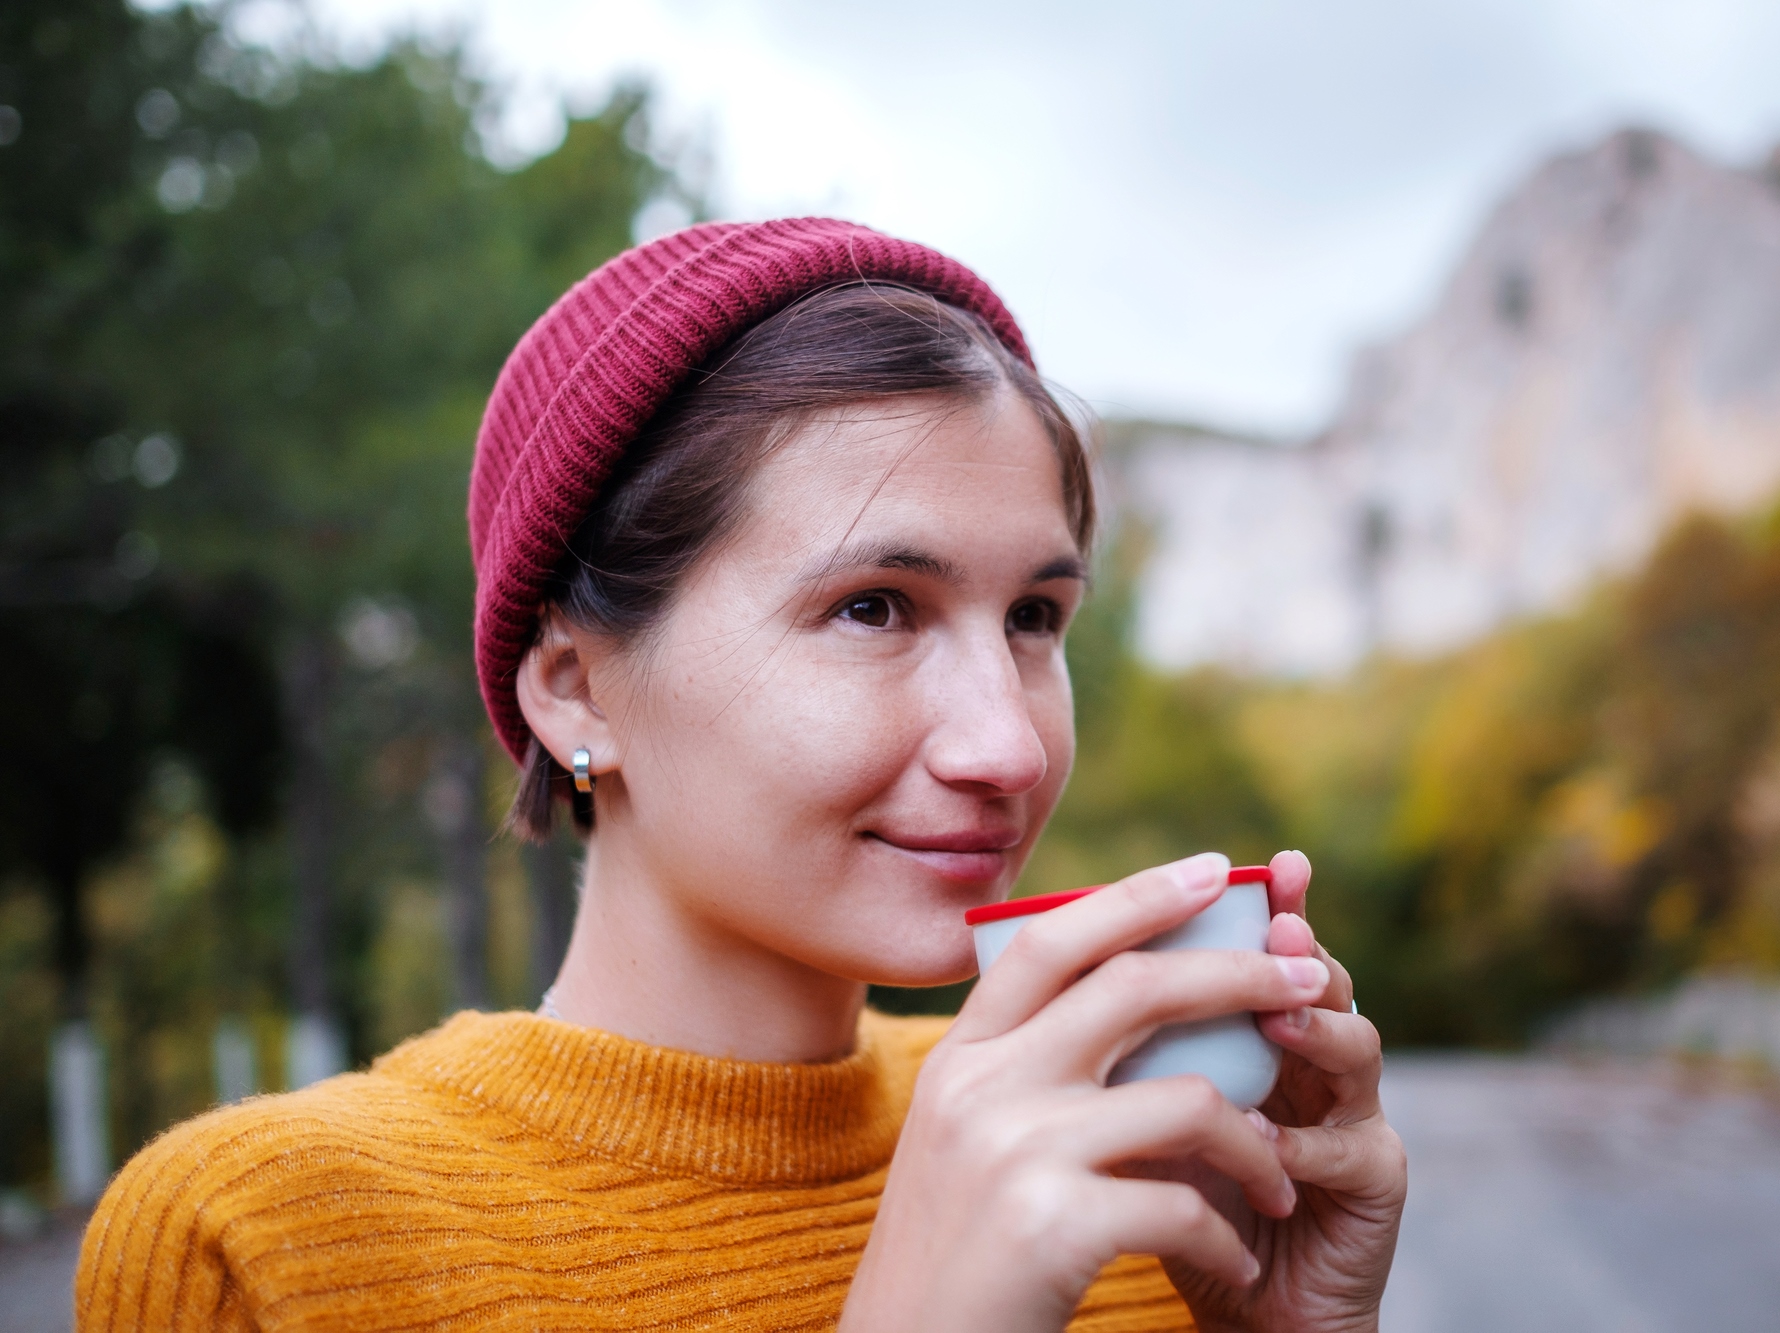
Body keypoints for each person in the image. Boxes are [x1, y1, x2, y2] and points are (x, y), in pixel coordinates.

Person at [76, 219, 1406, 1331]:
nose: (1004, 744)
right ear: (574, 686)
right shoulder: (258, 1247)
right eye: (876, 607)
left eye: (1034, 618)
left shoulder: (1122, 1154)